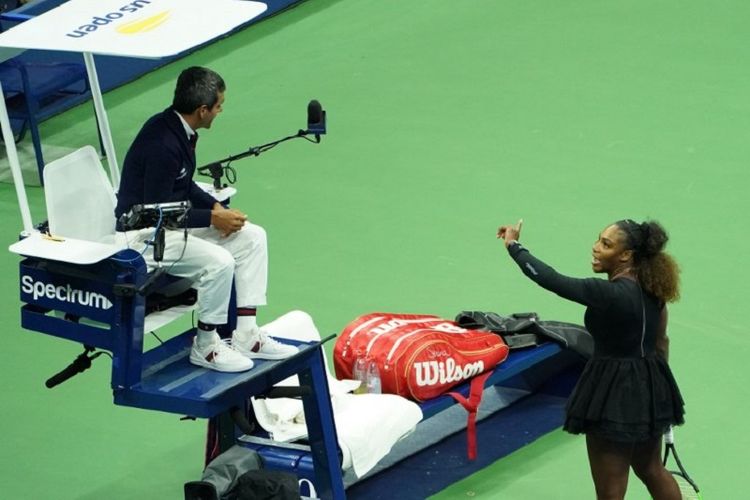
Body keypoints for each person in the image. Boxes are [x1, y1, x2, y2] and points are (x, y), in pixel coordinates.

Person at [115, 66, 297, 373]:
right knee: (220, 261)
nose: (220, 110)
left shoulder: (179, 130)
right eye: (218, 105)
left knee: (253, 237)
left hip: (166, 226)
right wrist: (214, 219)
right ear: (202, 110)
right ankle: (207, 346)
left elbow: (183, 187)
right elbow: (156, 212)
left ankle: (247, 335)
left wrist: (216, 208)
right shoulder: (163, 144)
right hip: (143, 238)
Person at [497, 219, 685, 500]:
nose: (596, 248)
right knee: (651, 468)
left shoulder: (607, 293)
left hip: (613, 391)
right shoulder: (654, 289)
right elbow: (661, 342)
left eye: (606, 244)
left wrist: (514, 246)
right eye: (599, 240)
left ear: (626, 256)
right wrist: (660, 398)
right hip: (652, 383)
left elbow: (549, 279)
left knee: (610, 489)